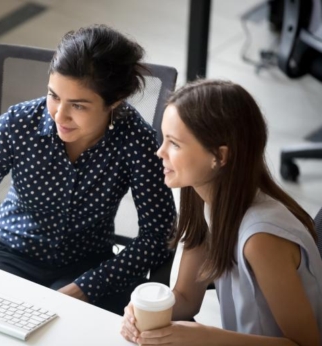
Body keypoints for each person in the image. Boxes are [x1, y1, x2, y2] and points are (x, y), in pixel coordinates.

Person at [0, 24, 176, 314]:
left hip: (87, 266)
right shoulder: (18, 123)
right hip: (10, 253)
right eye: (54, 96)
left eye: (78, 105)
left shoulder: (135, 141)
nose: (59, 115)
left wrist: (89, 286)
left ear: (114, 102)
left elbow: (159, 234)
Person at [121, 79, 322, 345]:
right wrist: (139, 313)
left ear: (220, 156)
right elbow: (186, 299)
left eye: (175, 144)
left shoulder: (261, 239)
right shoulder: (203, 198)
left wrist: (208, 337)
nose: (160, 152)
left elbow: (306, 343)